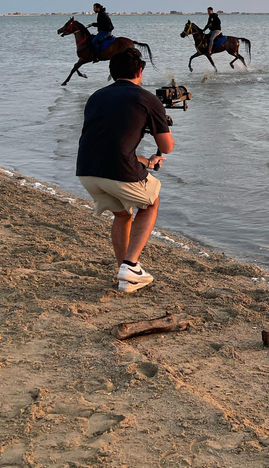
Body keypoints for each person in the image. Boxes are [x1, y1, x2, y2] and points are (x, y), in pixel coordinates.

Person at [76, 48, 175, 293]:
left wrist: (148, 161)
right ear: (140, 71)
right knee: (151, 201)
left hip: (87, 170)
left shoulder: (96, 96)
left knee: (122, 215)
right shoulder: (146, 98)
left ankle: (125, 274)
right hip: (117, 170)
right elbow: (167, 147)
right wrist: (160, 121)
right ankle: (130, 265)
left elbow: (110, 143)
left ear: (111, 73)